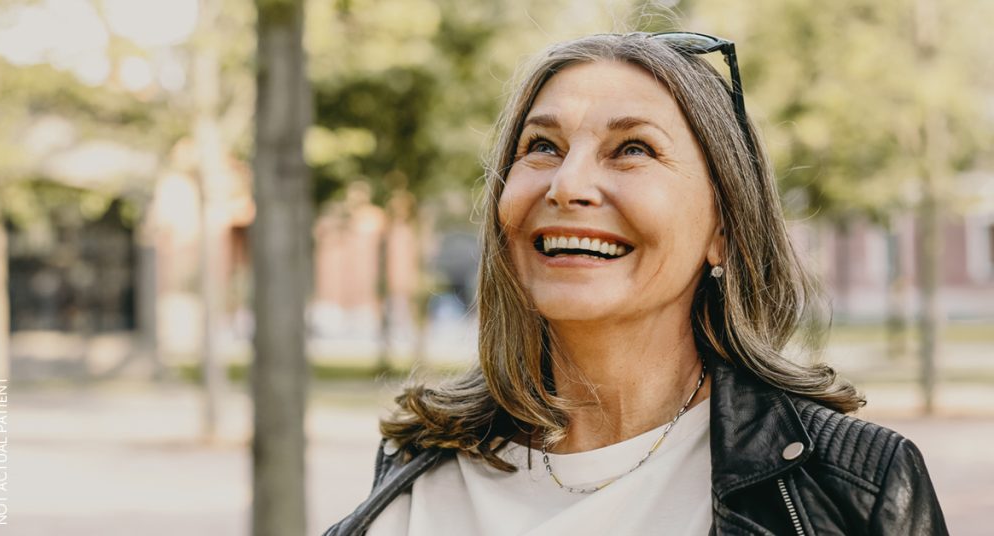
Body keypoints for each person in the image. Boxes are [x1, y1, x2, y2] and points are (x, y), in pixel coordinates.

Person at [326, 32, 947, 536]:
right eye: (541, 145)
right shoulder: (417, 474)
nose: (567, 185)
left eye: (633, 150)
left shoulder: (850, 488)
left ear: (724, 229)